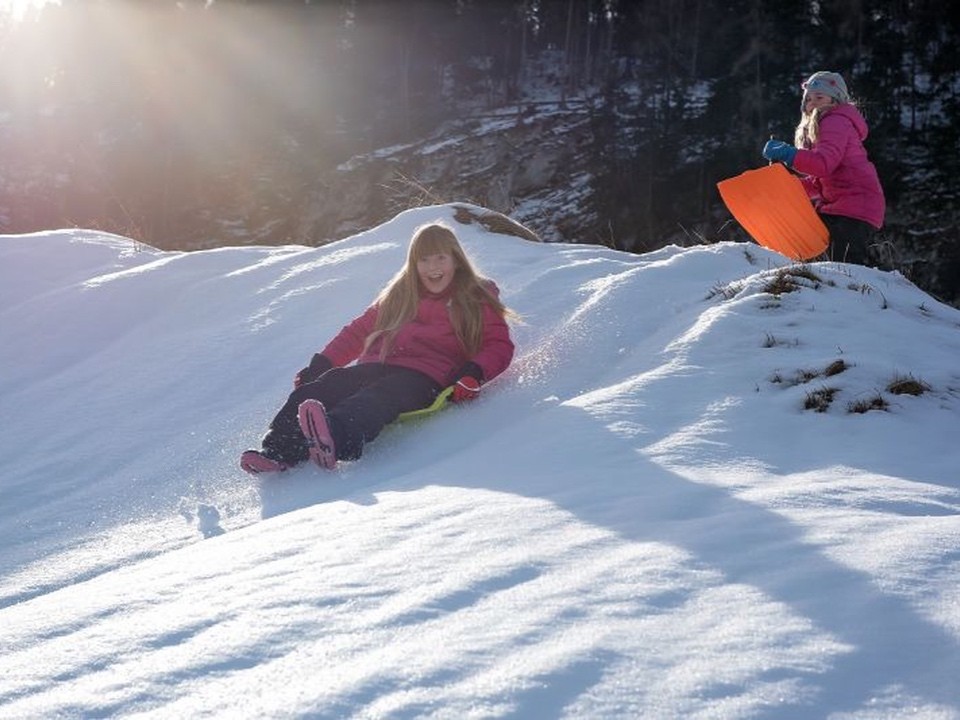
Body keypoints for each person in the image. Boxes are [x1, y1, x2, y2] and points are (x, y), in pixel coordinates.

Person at [240, 222, 516, 474]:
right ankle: (277, 451)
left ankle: (335, 437)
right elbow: (358, 332)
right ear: (413, 264)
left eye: (441, 258)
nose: (433, 267)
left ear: (456, 260)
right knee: (321, 388)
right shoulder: (400, 294)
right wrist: (323, 364)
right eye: (424, 260)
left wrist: (474, 373)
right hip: (376, 364)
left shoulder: (475, 296)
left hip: (425, 377)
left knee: (376, 398)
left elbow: (498, 344)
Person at [762, 71, 885, 265]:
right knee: (829, 259)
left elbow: (823, 165)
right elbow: (820, 182)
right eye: (809, 99)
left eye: (820, 97)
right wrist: (787, 187)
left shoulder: (835, 121)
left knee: (842, 267)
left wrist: (789, 154)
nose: (813, 102)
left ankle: (858, 292)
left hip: (853, 206)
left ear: (835, 100)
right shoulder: (826, 125)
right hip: (846, 205)